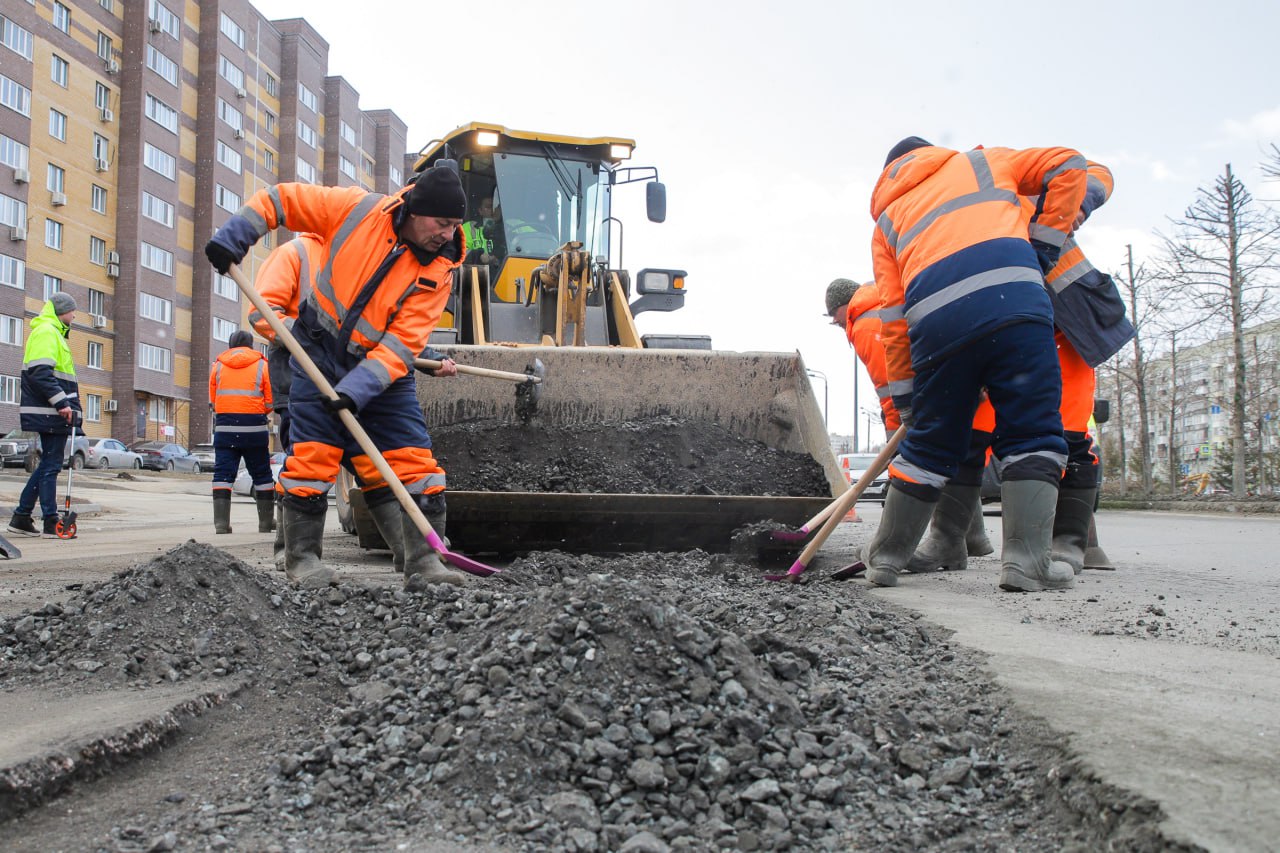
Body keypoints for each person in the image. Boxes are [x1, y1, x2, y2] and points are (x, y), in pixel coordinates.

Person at [204, 162, 469, 590]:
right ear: (415, 210)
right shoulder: (357, 209)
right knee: (312, 459)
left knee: (415, 462)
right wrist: (237, 235)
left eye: (456, 225)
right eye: (441, 223)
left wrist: (356, 389)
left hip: (383, 374)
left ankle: (423, 563)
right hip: (317, 352)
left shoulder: (440, 270)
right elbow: (281, 199)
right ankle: (302, 560)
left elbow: (403, 344)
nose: (447, 234)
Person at [866, 136, 1088, 592]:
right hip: (1013, 304)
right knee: (1031, 431)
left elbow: (892, 318)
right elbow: (1070, 164)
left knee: (928, 445)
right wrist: (1042, 248)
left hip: (935, 325)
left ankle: (884, 559)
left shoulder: (886, 222)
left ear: (889, 174)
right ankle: (1026, 563)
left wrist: (910, 407)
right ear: (933, 153)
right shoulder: (983, 163)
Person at [248, 233, 458, 573]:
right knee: (306, 462)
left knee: (373, 467)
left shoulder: (364, 251)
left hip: (355, 380)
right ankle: (290, 550)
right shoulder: (296, 254)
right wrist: (315, 334)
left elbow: (381, 326)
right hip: (301, 374)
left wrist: (430, 359)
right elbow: (262, 314)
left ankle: (409, 549)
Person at [825, 279, 994, 570]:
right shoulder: (885, 304)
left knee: (931, 463)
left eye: (835, 318)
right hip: (966, 390)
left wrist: (901, 435)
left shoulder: (864, 322)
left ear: (844, 306)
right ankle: (972, 537)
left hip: (936, 401)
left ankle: (893, 549)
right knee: (962, 459)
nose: (837, 325)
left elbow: (893, 387)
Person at [8, 292, 82, 539]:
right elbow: (40, 373)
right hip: (50, 411)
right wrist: (61, 403)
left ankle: (21, 516)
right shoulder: (47, 332)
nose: (74, 315)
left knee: (49, 464)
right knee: (51, 465)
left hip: (54, 411)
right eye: (72, 311)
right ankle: (50, 520)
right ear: (63, 311)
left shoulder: (54, 333)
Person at [208, 330, 275, 535]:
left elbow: (214, 401)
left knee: (222, 475)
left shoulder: (217, 366)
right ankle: (265, 523)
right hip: (254, 429)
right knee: (262, 475)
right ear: (251, 344)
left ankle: (221, 524)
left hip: (225, 428)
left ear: (230, 344)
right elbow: (270, 402)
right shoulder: (263, 365)